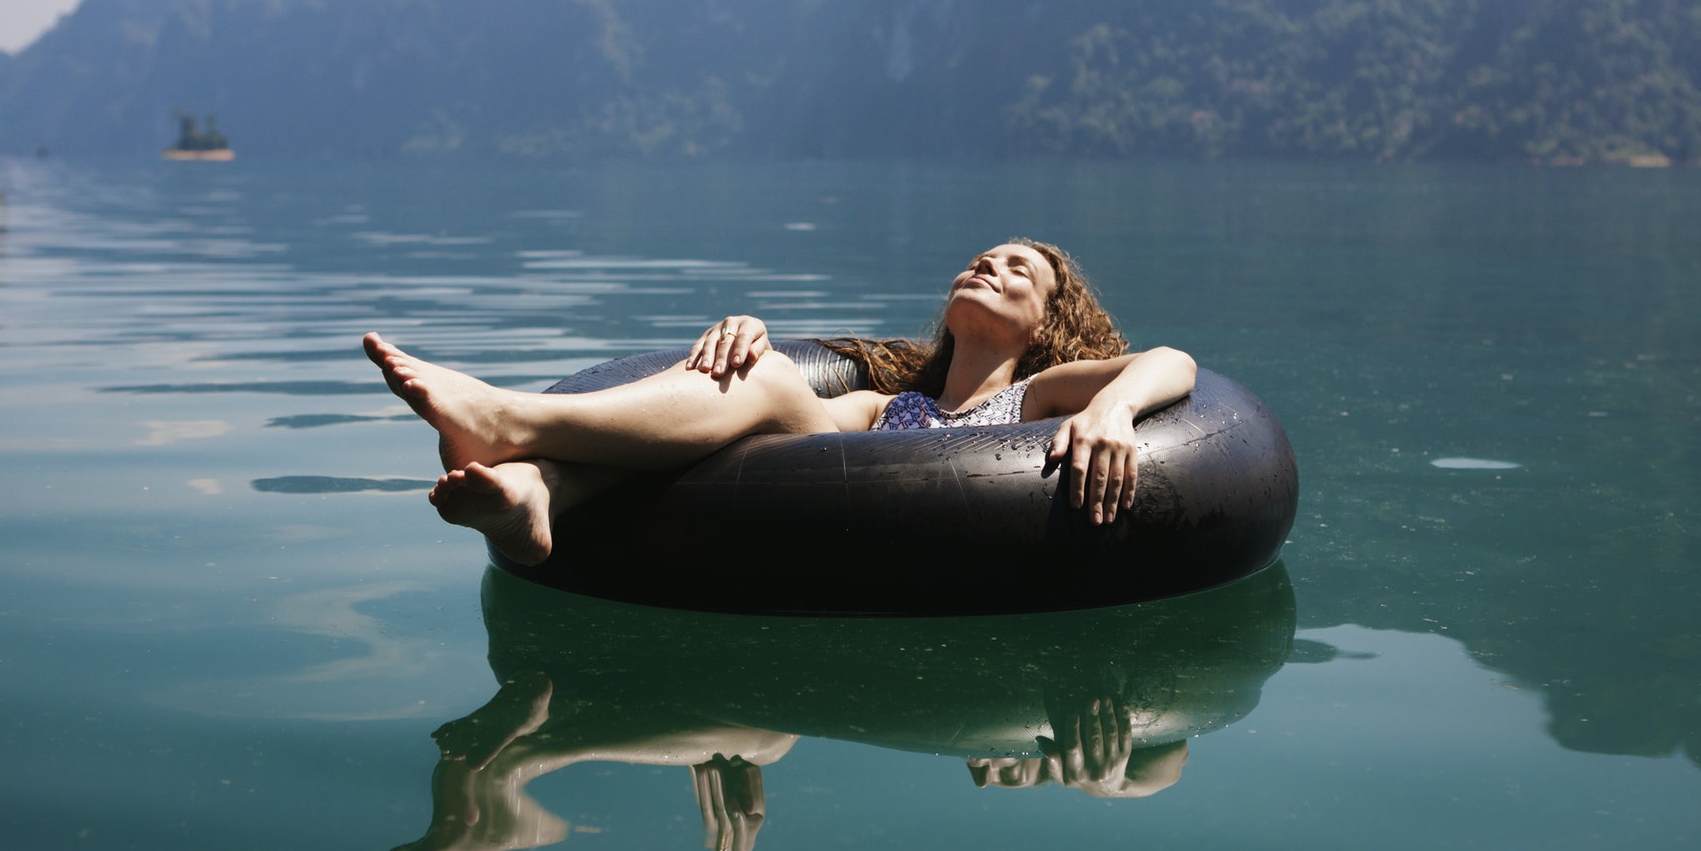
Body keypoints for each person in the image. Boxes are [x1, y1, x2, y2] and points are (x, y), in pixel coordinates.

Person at [362, 239, 1196, 565]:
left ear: (1047, 322)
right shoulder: (879, 407)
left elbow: (1175, 361)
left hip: (923, 550)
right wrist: (753, 335)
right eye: (982, 257)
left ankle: (510, 422)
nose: (989, 265)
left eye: (1019, 270)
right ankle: (539, 490)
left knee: (765, 383)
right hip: (840, 504)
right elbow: (767, 416)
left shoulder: (1035, 395)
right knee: (753, 393)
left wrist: (1114, 408)